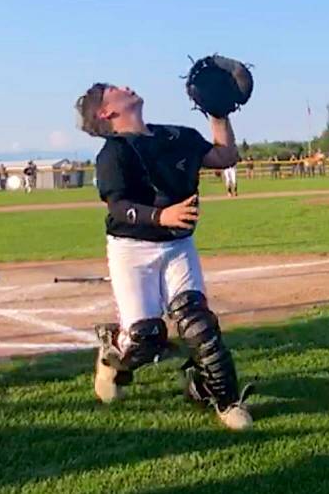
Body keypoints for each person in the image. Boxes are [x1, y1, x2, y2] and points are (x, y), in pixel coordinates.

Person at [75, 82, 253, 430]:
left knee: (198, 323)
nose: (126, 87)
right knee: (145, 338)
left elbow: (225, 156)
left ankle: (223, 399)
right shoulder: (113, 154)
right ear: (106, 112)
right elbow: (118, 206)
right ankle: (113, 352)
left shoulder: (177, 136)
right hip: (131, 249)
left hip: (177, 245)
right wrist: (161, 216)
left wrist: (218, 114)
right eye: (114, 89)